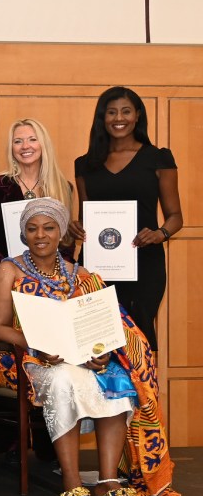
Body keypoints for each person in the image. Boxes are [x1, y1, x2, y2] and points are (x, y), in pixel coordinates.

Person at [0, 197, 175, 496]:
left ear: (61, 232)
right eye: (32, 229)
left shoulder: (83, 274)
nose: (40, 235)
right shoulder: (9, 269)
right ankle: (72, 483)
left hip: (81, 357)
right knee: (63, 380)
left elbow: (102, 325)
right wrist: (34, 343)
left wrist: (100, 351)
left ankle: (107, 481)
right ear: (24, 234)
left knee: (116, 376)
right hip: (30, 359)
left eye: (48, 227)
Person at [69, 87, 182, 351]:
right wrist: (76, 228)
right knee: (96, 342)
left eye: (126, 111)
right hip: (97, 267)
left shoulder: (158, 158)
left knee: (138, 341)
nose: (118, 118)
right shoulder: (85, 164)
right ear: (102, 117)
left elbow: (176, 216)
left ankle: (143, 393)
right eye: (111, 112)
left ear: (137, 115)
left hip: (144, 265)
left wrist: (160, 234)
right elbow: (85, 217)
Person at [0, 118, 74, 264]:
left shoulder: (62, 187)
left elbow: (66, 242)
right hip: (8, 272)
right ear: (11, 148)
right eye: (18, 141)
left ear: (43, 144)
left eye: (32, 139)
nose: (25, 146)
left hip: (51, 276)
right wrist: (7, 268)